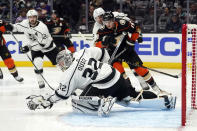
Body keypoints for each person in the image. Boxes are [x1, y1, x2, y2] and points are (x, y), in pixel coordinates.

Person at [26, 47, 176, 116]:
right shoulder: (82, 52)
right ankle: (164, 99)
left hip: (103, 85)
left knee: (77, 101)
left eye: (60, 64)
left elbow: (61, 95)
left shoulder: (68, 75)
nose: (60, 67)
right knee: (133, 95)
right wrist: (106, 65)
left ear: (65, 61)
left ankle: (103, 101)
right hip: (116, 75)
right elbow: (103, 52)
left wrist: (44, 101)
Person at [96, 11, 170, 95]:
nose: (108, 24)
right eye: (105, 22)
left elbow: (136, 29)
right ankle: (130, 92)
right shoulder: (102, 31)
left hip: (127, 50)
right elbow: (97, 45)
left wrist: (131, 41)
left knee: (141, 70)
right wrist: (104, 41)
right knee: (121, 75)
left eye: (109, 22)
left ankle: (157, 90)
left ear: (114, 20)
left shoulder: (123, 23)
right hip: (114, 54)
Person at [93, 8, 149, 90]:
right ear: (95, 19)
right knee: (120, 72)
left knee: (134, 65)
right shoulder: (96, 28)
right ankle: (129, 89)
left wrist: (139, 35)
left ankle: (141, 80)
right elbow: (97, 44)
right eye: (98, 17)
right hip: (112, 51)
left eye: (101, 16)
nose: (101, 19)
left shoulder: (115, 15)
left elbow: (131, 25)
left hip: (123, 46)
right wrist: (104, 42)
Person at [2, 9, 59, 88]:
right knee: (37, 62)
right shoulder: (25, 23)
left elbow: (42, 44)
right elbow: (17, 27)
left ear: (37, 17)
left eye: (34, 17)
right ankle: (40, 81)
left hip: (48, 47)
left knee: (61, 64)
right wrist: (10, 27)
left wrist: (28, 47)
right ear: (28, 18)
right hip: (35, 48)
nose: (32, 19)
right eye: (30, 17)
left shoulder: (42, 27)